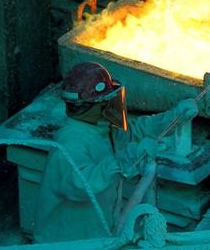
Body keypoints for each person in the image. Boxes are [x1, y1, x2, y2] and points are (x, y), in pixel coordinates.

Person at [33, 61, 198, 243]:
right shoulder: (70, 141)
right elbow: (82, 185)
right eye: (107, 99)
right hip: (66, 242)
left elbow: (135, 132)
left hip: (96, 234)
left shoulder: (99, 127)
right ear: (95, 104)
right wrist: (123, 159)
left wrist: (174, 117)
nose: (111, 103)